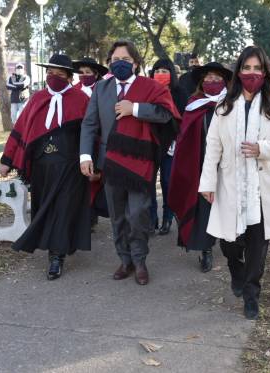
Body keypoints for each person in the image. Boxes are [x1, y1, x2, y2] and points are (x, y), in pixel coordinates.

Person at [198, 46, 270, 319]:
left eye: (257, 68)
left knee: (257, 243)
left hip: (262, 187)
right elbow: (213, 147)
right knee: (229, 242)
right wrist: (207, 183)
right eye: (247, 68)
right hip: (229, 182)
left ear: (265, 72)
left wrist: (262, 148)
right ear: (239, 71)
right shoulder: (224, 107)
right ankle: (235, 268)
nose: (252, 73)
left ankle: (252, 293)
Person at [80, 40, 181, 286]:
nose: (120, 64)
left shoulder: (150, 87)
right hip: (110, 162)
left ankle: (139, 260)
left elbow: (166, 114)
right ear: (109, 64)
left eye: (125, 60)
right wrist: (85, 156)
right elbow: (90, 124)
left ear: (135, 63)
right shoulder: (100, 89)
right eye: (115, 60)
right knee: (117, 215)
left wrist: (134, 108)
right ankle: (124, 259)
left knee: (137, 214)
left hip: (140, 162)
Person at [0, 54, 91, 280]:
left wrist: (93, 162)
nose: (53, 77)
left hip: (70, 167)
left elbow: (91, 134)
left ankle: (56, 257)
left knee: (63, 207)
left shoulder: (80, 99)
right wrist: (7, 159)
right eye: (50, 73)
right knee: (46, 207)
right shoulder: (37, 98)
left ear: (70, 77)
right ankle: (55, 247)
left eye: (60, 74)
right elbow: (20, 129)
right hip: (42, 167)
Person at [168, 62, 232, 273]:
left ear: (225, 82)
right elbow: (185, 135)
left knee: (227, 204)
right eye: (208, 78)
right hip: (201, 162)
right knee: (204, 206)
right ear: (201, 82)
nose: (212, 82)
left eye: (217, 78)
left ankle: (230, 244)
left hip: (228, 164)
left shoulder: (233, 103)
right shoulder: (194, 104)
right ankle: (206, 249)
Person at [148, 58, 188, 235]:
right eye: (157, 71)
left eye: (165, 71)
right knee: (148, 182)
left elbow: (183, 120)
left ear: (171, 73)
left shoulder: (180, 93)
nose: (161, 74)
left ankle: (167, 218)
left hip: (171, 144)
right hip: (150, 142)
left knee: (166, 182)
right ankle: (151, 220)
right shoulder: (148, 91)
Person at [72, 57, 110, 230]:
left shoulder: (103, 91)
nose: (84, 75)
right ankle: (82, 214)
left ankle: (92, 213)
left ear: (96, 74)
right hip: (77, 141)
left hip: (97, 140)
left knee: (94, 178)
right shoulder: (74, 90)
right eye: (81, 72)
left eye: (88, 72)